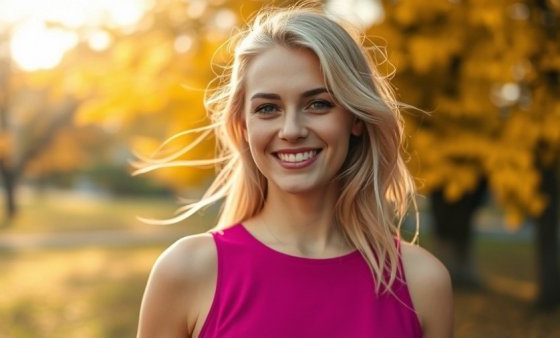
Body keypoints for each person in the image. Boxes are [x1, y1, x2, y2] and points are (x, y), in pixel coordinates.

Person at [136, 5, 453, 338]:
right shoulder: (188, 271)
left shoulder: (422, 283)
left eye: (318, 103)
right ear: (243, 126)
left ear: (356, 118)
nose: (291, 130)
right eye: (268, 108)